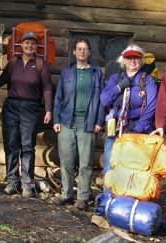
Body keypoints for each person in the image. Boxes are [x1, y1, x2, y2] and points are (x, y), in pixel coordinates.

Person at [0, 32, 52, 198]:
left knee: (27, 146)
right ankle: (12, 181)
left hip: (31, 108)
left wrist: (48, 109)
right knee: (11, 144)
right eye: (26, 43)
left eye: (33, 44)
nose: (29, 46)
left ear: (36, 47)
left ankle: (27, 183)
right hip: (11, 107)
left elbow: (47, 88)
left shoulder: (41, 64)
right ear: (21, 45)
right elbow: (0, 81)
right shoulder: (14, 62)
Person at [52, 37, 105, 210]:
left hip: (87, 123)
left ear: (89, 53)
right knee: (66, 161)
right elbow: (58, 97)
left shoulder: (97, 73)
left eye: (85, 49)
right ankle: (66, 194)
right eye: (79, 49)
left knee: (85, 163)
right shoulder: (66, 72)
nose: (82, 52)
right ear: (74, 52)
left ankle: (82, 197)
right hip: (67, 122)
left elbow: (102, 100)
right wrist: (56, 119)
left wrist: (99, 121)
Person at [100, 44, 158, 181]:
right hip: (115, 129)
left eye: (136, 58)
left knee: (133, 167)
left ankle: (128, 201)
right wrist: (119, 87)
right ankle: (108, 198)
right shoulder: (116, 78)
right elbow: (104, 99)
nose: (133, 61)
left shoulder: (147, 81)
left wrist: (138, 128)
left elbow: (151, 106)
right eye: (129, 58)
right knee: (110, 165)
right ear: (124, 61)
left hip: (137, 130)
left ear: (141, 61)